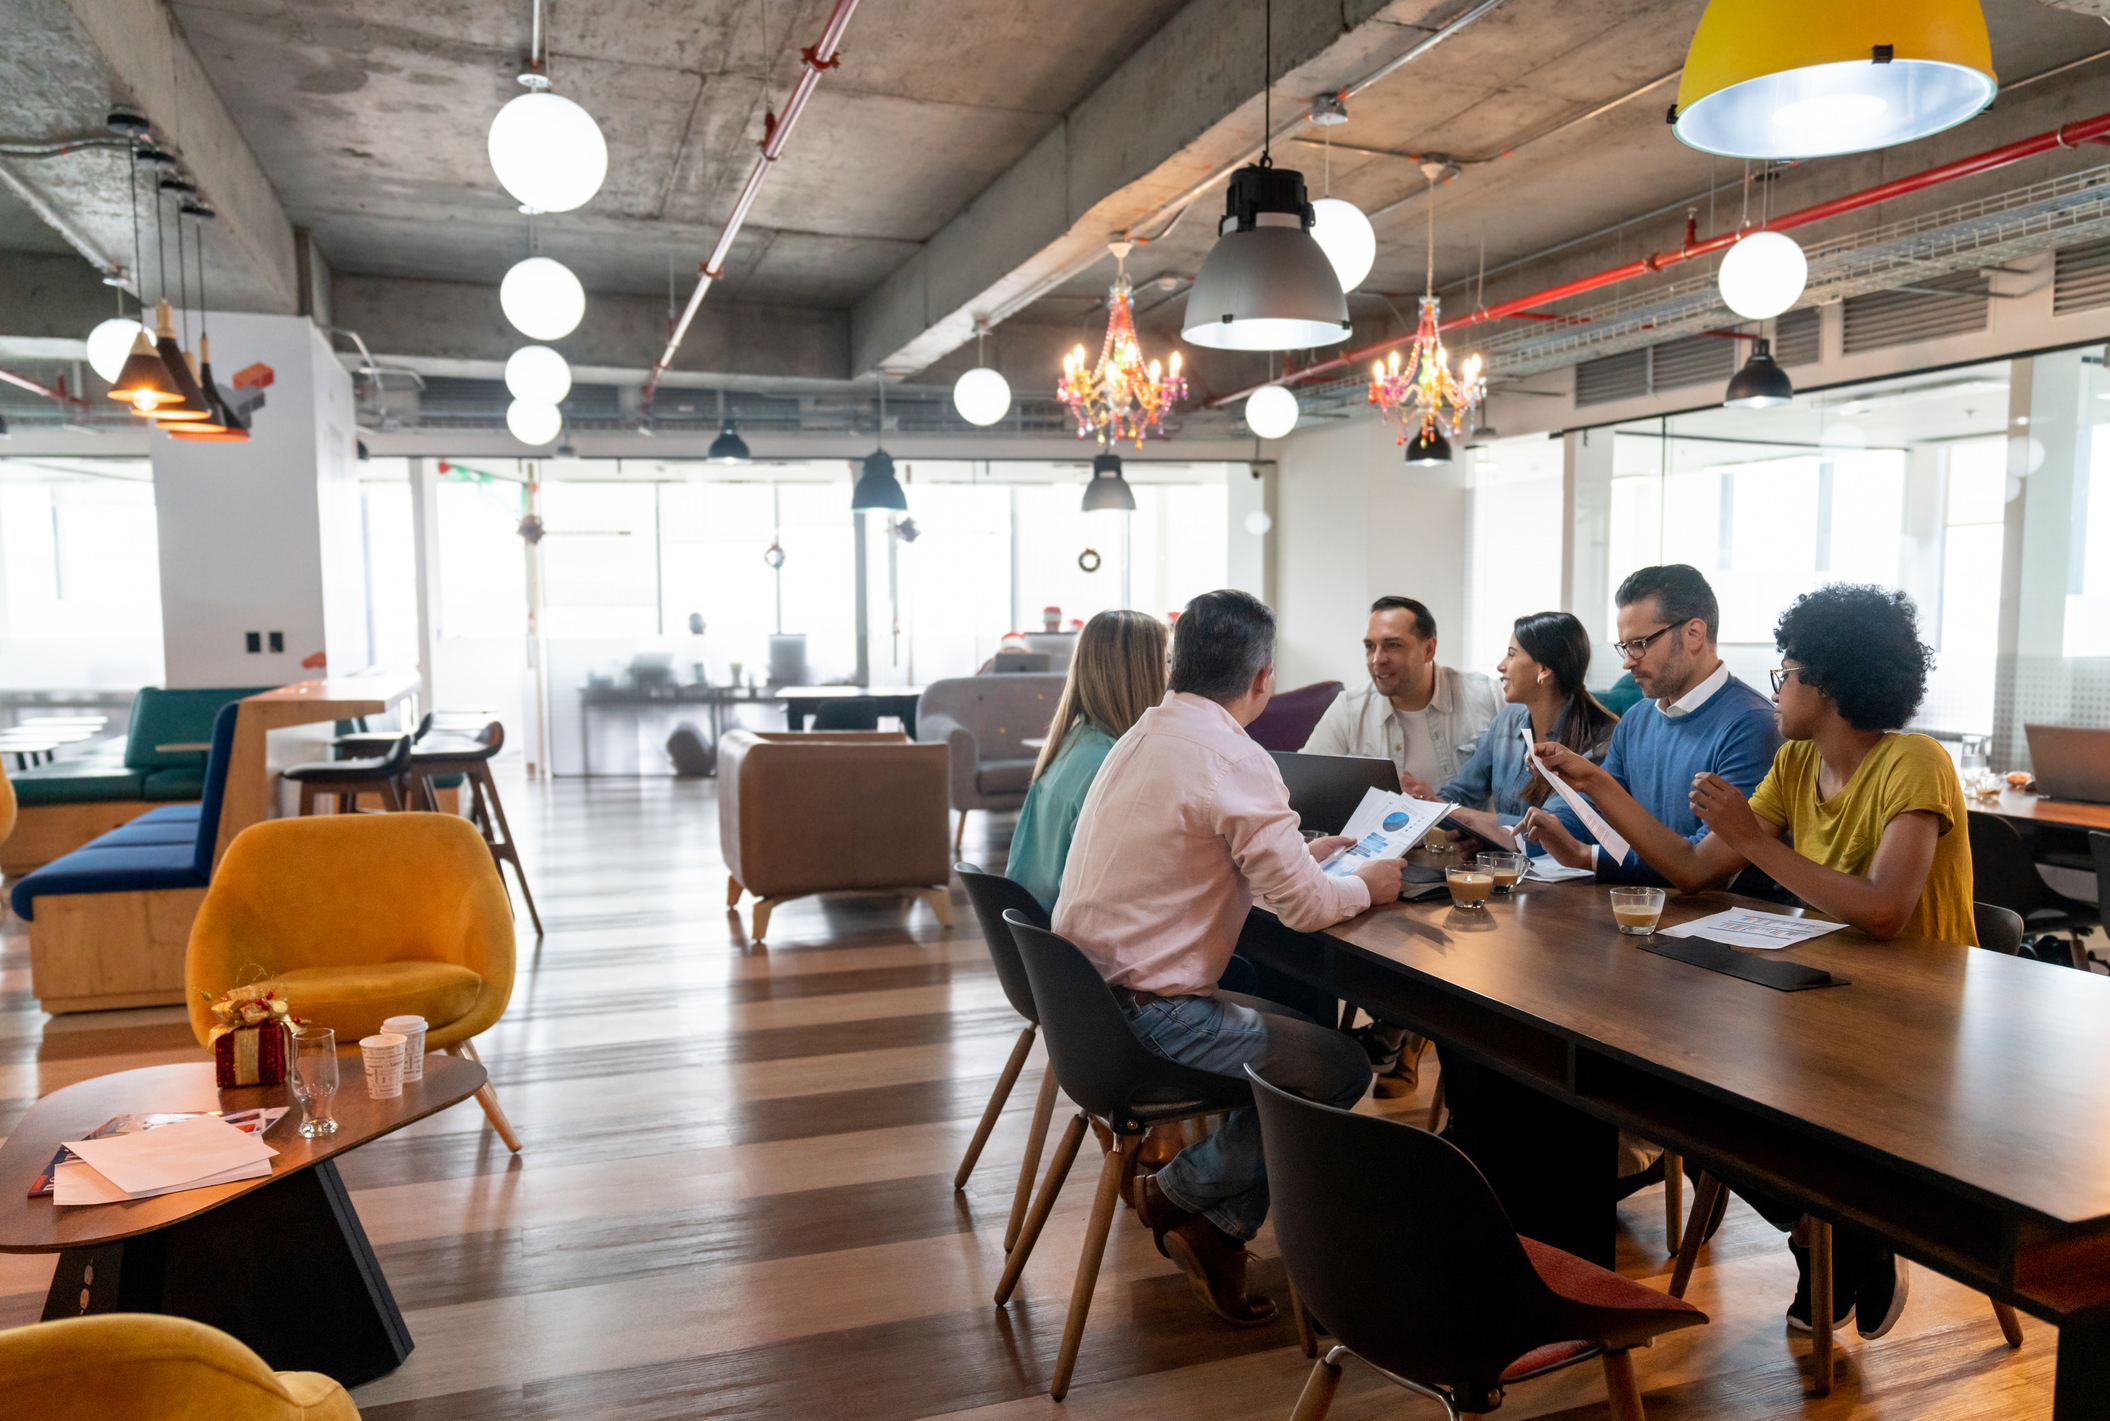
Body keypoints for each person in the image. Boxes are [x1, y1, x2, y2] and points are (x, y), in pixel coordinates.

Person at [1532, 583, 1972, 1341]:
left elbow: (1884, 910)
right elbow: (1695, 869)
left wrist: (1758, 841)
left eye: (1789, 673)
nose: (1779, 687)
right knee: (1679, 1082)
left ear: (1831, 686)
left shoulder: (1915, 762)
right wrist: (1598, 784)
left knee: (1715, 1082)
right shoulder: (1798, 764)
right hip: (1829, 992)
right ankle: (1824, 1229)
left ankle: (1842, 1229)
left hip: (1913, 1014)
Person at [1055, 589, 1399, 1327]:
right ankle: (1181, 1195)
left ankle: (1217, 1227)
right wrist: (1365, 882)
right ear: (1263, 679)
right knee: (1342, 1066)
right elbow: (1306, 909)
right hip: (1154, 1027)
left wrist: (1296, 861)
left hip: (1087, 1013)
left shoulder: (1142, 734)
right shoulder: (1232, 757)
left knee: (1296, 1033)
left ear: (1178, 663)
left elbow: (1202, 858)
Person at [1519, 564, 1781, 891]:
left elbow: (1701, 869)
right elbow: (1596, 816)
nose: (1628, 661)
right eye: (1624, 647)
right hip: (1648, 913)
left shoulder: (1752, 724)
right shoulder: (1638, 718)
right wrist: (1538, 828)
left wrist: (1587, 855)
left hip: (1721, 925)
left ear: (1694, 634)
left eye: (1639, 644)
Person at [1005, 610, 1167, 913]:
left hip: (1038, 930)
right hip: (1070, 940)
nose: (1170, 676)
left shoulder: (1074, 741)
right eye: (1166, 663)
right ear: (1140, 674)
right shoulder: (1111, 765)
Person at [1431, 611, 1620, 846]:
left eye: (1511, 654)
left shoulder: (1603, 740)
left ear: (1543, 670)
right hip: (1509, 869)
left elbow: (1554, 827)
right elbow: (1462, 791)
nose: (1501, 666)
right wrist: (1430, 805)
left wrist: (1473, 821)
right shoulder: (1507, 721)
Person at [1301, 596, 1501, 791]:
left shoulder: (1487, 695)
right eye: (1370, 647)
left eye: (1393, 645)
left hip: (1469, 825)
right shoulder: (1349, 708)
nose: (1377, 659)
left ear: (1429, 649)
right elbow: (1303, 782)